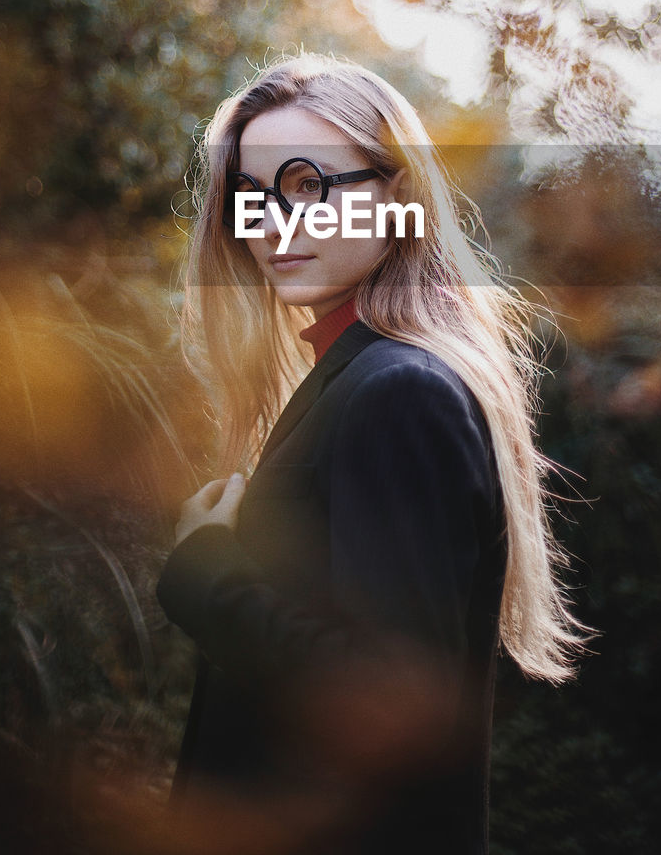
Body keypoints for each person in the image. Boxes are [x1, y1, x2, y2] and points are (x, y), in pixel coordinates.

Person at [156, 53, 588, 855]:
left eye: (307, 188)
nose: (272, 223)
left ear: (395, 197)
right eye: (250, 198)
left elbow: (387, 709)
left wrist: (205, 574)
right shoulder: (360, 375)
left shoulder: (399, 390)